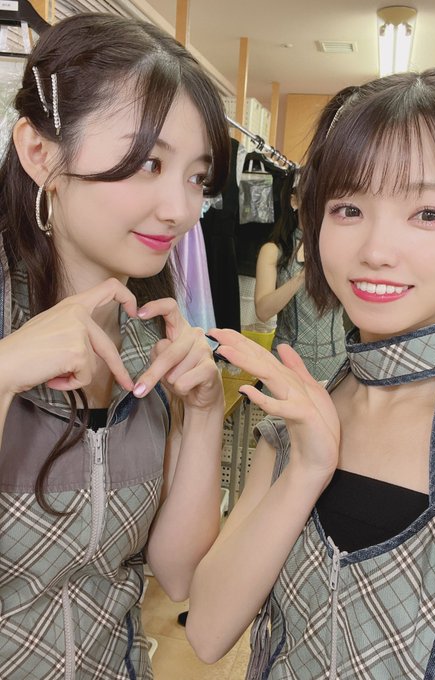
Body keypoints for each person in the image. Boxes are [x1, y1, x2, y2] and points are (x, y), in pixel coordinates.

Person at [186, 67, 435, 679]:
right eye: (349, 208)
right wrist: (306, 469)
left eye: (429, 213)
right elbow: (206, 631)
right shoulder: (299, 417)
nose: (376, 250)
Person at [0, 12, 230, 679]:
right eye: (149, 163)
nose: (180, 210)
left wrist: (204, 413)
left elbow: (177, 573)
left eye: (196, 177)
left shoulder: (151, 338)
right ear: (40, 152)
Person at [255, 169, 346, 381]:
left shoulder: (340, 249)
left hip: (335, 363)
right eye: (311, 200)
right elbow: (263, 311)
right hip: (287, 364)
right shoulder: (273, 251)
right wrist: (302, 275)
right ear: (295, 201)